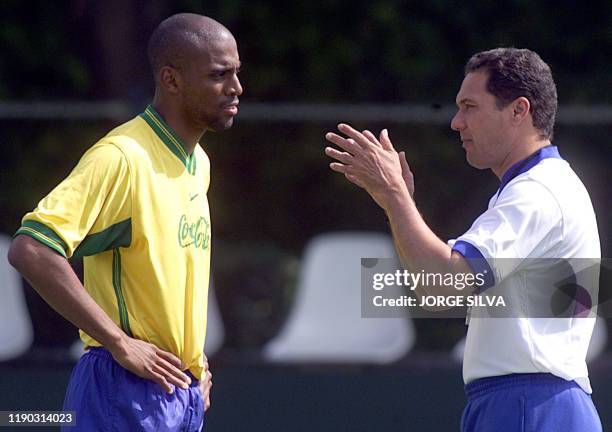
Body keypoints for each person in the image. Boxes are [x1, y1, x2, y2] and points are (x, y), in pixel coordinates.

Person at [324, 48, 602, 431]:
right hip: (523, 403)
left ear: (519, 110)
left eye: (470, 106)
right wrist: (397, 204)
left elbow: (444, 283)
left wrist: (395, 196)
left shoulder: (538, 193)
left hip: (530, 407)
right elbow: (435, 290)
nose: (456, 122)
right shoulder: (535, 188)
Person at [8, 13, 242, 432]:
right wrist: (119, 343)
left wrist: (194, 362)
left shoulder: (198, 164)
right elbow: (32, 248)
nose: (236, 88)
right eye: (218, 74)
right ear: (171, 80)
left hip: (178, 393)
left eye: (236, 73)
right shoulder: (121, 157)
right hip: (122, 389)